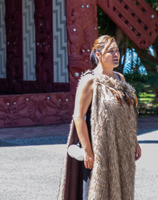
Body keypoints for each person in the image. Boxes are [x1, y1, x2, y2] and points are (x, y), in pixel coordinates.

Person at [59, 35, 141, 200]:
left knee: (122, 187)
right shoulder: (90, 81)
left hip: (122, 146)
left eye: (117, 51)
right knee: (98, 190)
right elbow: (78, 117)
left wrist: (135, 142)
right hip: (100, 147)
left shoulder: (120, 79)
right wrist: (88, 151)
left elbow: (126, 116)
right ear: (98, 55)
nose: (116, 54)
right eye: (110, 51)